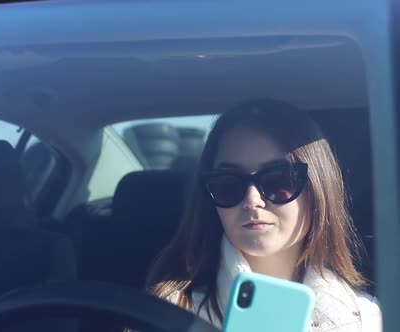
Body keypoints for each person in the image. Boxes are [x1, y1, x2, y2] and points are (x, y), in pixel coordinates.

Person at [145, 99, 382, 331]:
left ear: (318, 187)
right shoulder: (167, 315)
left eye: (279, 180)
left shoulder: (367, 318)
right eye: (228, 184)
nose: (252, 200)